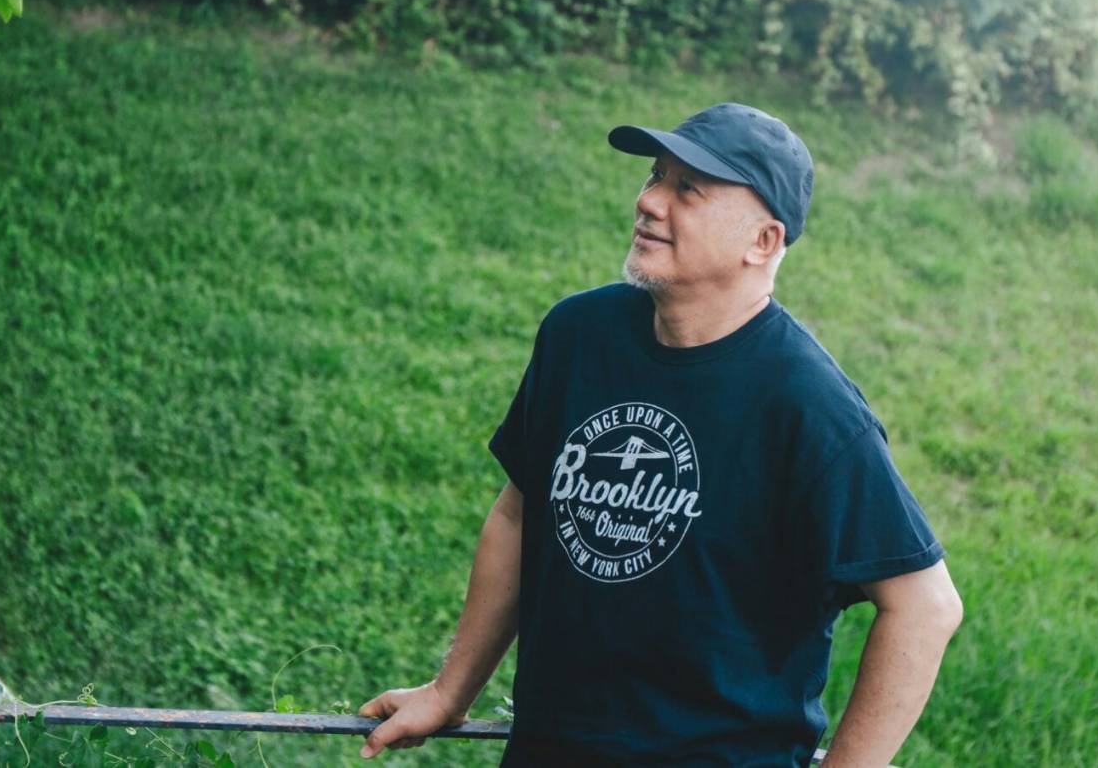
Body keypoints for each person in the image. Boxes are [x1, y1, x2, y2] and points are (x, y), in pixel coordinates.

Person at [358, 102, 963, 767]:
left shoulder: (806, 403)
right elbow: (518, 515)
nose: (648, 201)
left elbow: (925, 607)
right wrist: (450, 689)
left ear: (762, 242)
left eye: (688, 189)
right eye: (655, 176)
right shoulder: (579, 336)